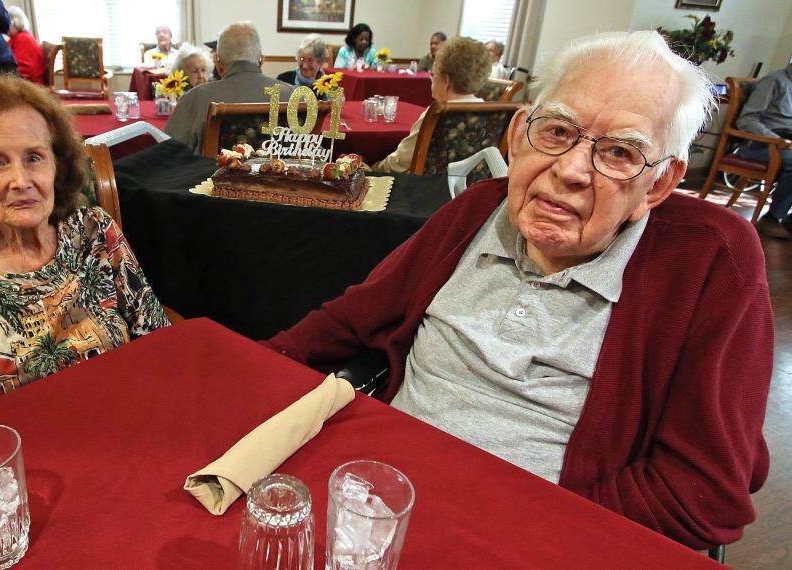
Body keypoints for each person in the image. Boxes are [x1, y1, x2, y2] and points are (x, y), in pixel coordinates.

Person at [265, 30, 771, 549]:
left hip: (539, 541)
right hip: (377, 507)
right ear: (517, 134)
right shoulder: (476, 210)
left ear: (659, 184)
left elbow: (700, 492)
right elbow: (345, 322)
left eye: (619, 152)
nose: (570, 170)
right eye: (556, 131)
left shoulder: (712, 261)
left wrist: (517, 534)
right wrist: (255, 381)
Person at [0, 77, 170, 430]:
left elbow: (156, 335)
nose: (20, 180)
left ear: (57, 164)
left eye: (34, 157)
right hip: (22, 461)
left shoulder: (95, 231)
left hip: (129, 424)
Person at [165, 21, 294, 155]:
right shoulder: (297, 97)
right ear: (261, 60)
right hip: (283, 174)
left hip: (211, 175)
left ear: (218, 63)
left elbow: (168, 153)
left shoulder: (196, 98)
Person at [372, 37, 489, 173]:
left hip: (425, 190)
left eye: (433, 75)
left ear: (446, 81)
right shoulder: (494, 113)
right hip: (474, 190)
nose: (431, 80)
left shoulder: (436, 115)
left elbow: (399, 163)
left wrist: (373, 168)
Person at [735, 63, 792, 239]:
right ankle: (772, 219)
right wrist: (777, 140)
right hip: (763, 145)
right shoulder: (774, 81)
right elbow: (746, 120)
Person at [276, 34, 329, 98]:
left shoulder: (327, 87)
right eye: (302, 59)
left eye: (310, 60)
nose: (305, 66)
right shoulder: (283, 80)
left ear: (320, 63)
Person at [5, 5, 44, 83]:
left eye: (6, 21)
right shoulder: (17, 38)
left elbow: (24, 72)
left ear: (14, 22)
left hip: (29, 87)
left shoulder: (24, 39)